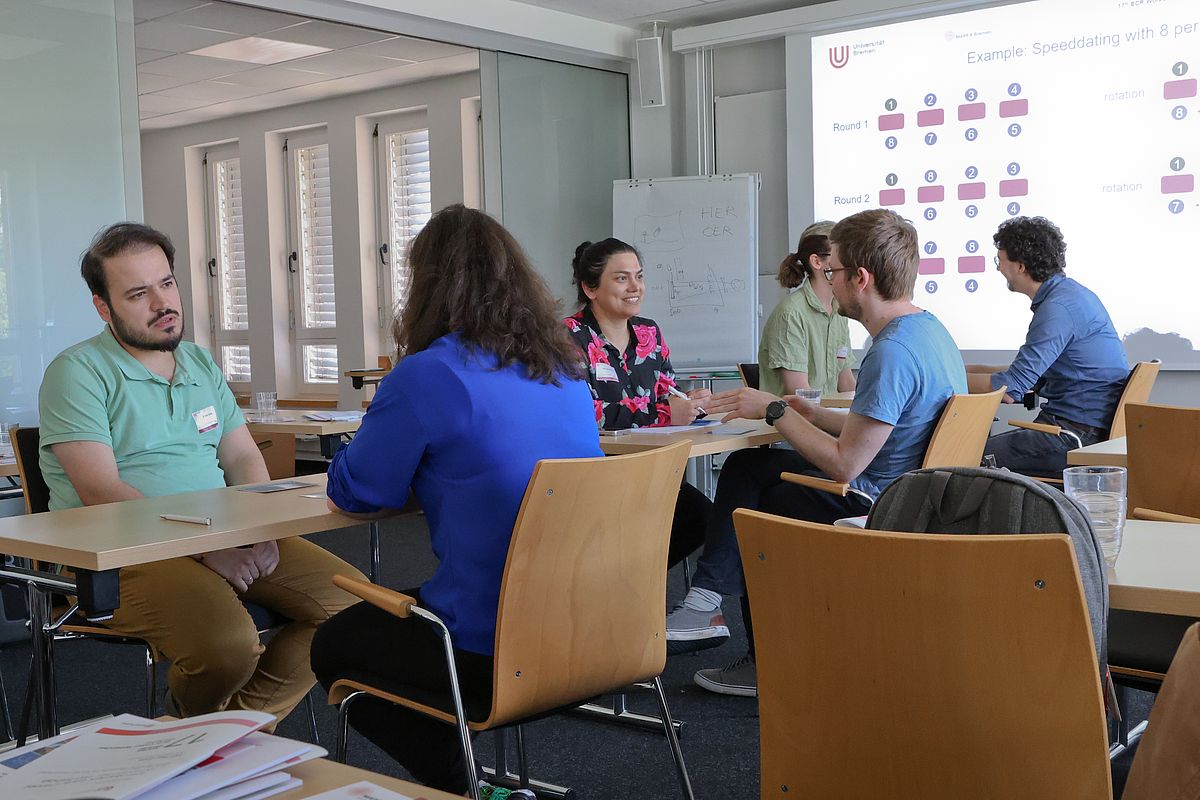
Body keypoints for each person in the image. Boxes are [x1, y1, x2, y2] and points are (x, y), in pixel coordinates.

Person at [311, 205, 601, 797]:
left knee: (337, 644)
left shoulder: (427, 374)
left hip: (490, 649)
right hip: (593, 630)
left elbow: (360, 491)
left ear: (426, 287)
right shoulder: (566, 370)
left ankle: (468, 789)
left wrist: (378, 439)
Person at [38, 222, 363, 726]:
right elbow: (101, 492)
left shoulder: (198, 363)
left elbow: (243, 462)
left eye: (166, 284)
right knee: (228, 647)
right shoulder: (77, 372)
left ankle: (227, 734)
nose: (162, 303)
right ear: (103, 307)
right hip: (120, 551)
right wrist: (207, 548)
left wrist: (263, 530)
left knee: (354, 609)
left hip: (223, 533)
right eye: (138, 293)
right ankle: (207, 739)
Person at [664, 209, 967, 696]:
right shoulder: (928, 332)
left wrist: (776, 412)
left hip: (879, 502)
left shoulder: (891, 352)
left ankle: (743, 642)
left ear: (860, 278)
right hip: (919, 493)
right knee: (752, 468)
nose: (830, 281)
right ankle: (707, 603)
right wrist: (797, 409)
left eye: (834, 272)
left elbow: (847, 464)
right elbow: (875, 428)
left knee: (752, 494)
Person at [563, 238, 710, 572]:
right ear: (590, 288)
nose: (635, 287)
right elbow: (588, 413)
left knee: (705, 518)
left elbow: (668, 392)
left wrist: (691, 403)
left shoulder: (649, 332)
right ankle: (624, 585)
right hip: (599, 471)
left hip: (650, 466)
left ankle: (632, 582)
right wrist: (664, 413)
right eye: (621, 278)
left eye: (639, 276)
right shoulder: (569, 335)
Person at [966, 216, 1129, 477]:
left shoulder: (1057, 310)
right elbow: (1027, 374)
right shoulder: (1070, 295)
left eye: (1000, 260)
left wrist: (946, 379)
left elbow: (1012, 389)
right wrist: (966, 369)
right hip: (1081, 428)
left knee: (962, 457)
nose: (998, 269)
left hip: (1071, 436)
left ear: (1020, 266)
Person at [758, 221, 857, 397]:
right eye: (842, 256)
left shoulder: (839, 310)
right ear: (817, 261)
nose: (851, 264)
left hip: (827, 418)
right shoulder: (790, 314)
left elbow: (846, 383)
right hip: (796, 421)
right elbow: (800, 395)